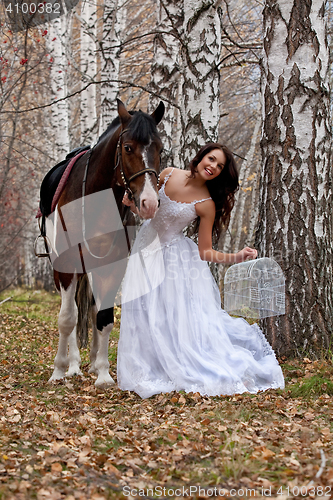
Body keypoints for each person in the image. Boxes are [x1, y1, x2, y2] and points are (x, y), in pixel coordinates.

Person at [118, 143, 285, 398]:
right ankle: (147, 366)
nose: (213, 167)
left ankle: (176, 365)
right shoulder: (167, 174)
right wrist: (132, 204)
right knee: (142, 312)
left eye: (219, 167)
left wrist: (236, 256)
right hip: (145, 251)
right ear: (199, 157)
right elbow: (149, 215)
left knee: (170, 317)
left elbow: (205, 251)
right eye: (211, 159)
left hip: (174, 261)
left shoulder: (206, 203)